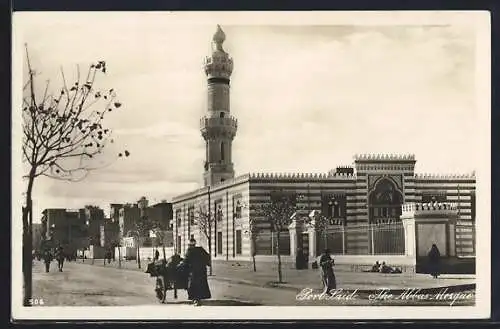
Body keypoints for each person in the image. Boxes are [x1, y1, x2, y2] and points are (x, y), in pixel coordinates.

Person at [182, 238, 211, 306]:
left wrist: (182, 264)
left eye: (189, 245)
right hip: (202, 271)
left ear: (190, 245)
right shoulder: (201, 249)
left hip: (194, 271)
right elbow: (207, 256)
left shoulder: (189, 251)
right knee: (201, 285)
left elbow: (186, 260)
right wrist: (207, 263)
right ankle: (199, 299)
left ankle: (195, 299)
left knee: (192, 286)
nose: (189, 246)